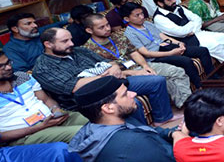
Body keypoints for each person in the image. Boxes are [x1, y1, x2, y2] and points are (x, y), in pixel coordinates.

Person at [32, 28, 176, 125]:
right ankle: (140, 134)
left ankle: (162, 119)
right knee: (130, 102)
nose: (71, 43)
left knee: (156, 81)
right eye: (65, 41)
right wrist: (105, 75)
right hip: (88, 99)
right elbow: (74, 86)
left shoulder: (79, 51)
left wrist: (113, 67)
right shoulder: (43, 67)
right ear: (48, 44)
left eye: (70, 39)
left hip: (113, 83)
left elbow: (109, 62)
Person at [82, 14, 192, 108]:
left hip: (138, 66)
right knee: (161, 79)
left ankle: (188, 103)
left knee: (177, 71)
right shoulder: (87, 50)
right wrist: (135, 73)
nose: (107, 29)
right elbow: (104, 74)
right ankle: (186, 106)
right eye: (101, 27)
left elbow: (133, 52)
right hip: (123, 76)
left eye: (107, 25)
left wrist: (145, 66)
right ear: (89, 30)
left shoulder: (117, 36)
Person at [69, 76, 178, 162]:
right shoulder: (134, 143)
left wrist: (174, 132)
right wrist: (182, 138)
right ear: (109, 108)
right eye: (125, 94)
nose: (134, 94)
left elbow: (151, 132)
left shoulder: (112, 122)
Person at [0, 50, 88, 146]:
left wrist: (56, 110)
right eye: (1, 66)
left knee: (98, 119)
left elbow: (45, 99)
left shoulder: (22, 77)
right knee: (82, 132)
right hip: (27, 135)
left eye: (8, 62)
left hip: (52, 119)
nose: (8, 67)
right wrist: (40, 127)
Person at [120, 2, 214, 90]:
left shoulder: (147, 23)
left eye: (142, 13)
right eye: (137, 15)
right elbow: (146, 53)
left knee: (202, 50)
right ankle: (200, 87)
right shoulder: (129, 34)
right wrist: (170, 53)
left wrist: (178, 43)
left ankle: (212, 79)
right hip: (155, 56)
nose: (142, 17)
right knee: (186, 61)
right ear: (127, 19)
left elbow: (162, 36)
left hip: (166, 47)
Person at [151, 0, 224, 61]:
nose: (174, 1)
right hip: (188, 42)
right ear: (160, 3)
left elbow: (197, 18)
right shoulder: (159, 18)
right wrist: (192, 25)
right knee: (214, 45)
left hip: (197, 34)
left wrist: (190, 28)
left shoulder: (178, 7)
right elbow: (180, 32)